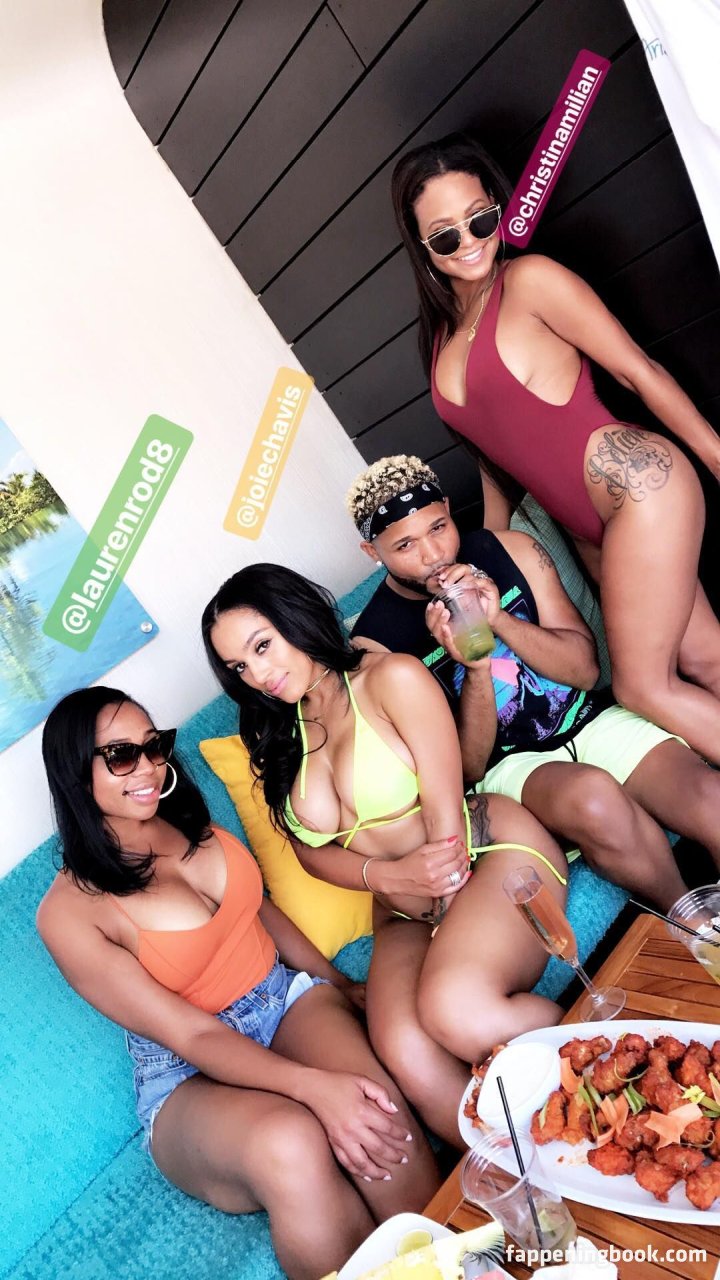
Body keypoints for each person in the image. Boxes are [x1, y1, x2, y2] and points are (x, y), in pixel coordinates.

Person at [37, 687, 441, 1280]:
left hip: (278, 999)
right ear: (75, 770)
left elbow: (254, 912)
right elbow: (193, 1036)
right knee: (291, 1144)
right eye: (121, 755)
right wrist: (312, 1089)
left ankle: (464, 1258)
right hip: (184, 1070)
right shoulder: (68, 913)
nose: (148, 767)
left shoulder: (182, 821)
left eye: (154, 746)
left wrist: (333, 982)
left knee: (373, 1104)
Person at [202, 563, 569, 1144]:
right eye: (239, 667)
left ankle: (631, 1061)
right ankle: (532, 1178)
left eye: (262, 646)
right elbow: (311, 852)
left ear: (296, 617)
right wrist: (390, 876)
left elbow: (446, 800)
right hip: (400, 908)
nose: (259, 674)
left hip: (483, 851)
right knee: (407, 1055)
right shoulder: (280, 732)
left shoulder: (389, 678)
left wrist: (445, 889)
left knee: (456, 1011)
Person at [391, 132, 720, 765]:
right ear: (422, 246)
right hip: (586, 528)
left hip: (637, 488)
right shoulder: (438, 338)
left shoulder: (531, 280)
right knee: (704, 659)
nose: (469, 242)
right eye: (445, 236)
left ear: (497, 208)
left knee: (641, 688)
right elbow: (492, 457)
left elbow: (637, 371)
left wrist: (717, 458)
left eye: (480, 219)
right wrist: (490, 553)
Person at [347, 455, 720, 911]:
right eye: (405, 545)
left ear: (447, 508)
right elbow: (468, 767)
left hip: (589, 718)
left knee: (710, 799)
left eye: (439, 528)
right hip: (511, 765)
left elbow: (585, 671)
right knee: (595, 800)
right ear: (373, 552)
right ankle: (697, 927)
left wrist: (499, 620)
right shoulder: (375, 645)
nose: (433, 555)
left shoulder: (512, 550)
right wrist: (476, 667)